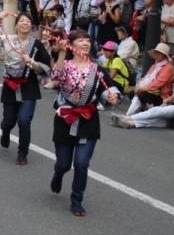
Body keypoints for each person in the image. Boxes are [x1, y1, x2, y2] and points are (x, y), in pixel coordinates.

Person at [48, 29, 121, 216]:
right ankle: (58, 174)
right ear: (72, 45)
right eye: (81, 40)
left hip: (88, 119)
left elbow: (107, 88)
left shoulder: (97, 69)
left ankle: (76, 199)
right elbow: (57, 76)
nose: (86, 43)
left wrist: (112, 96)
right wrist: (62, 52)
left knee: (81, 163)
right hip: (65, 117)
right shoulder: (66, 64)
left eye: (88, 40)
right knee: (64, 164)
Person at [0, 12, 51, 166]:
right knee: (8, 121)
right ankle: (5, 132)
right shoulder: (9, 40)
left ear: (31, 25)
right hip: (10, 86)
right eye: (22, 21)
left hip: (29, 86)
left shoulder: (37, 44)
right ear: (16, 25)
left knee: (24, 120)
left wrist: (33, 63)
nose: (25, 23)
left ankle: (22, 153)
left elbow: (46, 66)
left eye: (28, 21)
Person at [112, 49, 174, 128]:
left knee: (156, 111)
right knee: (159, 121)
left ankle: (127, 118)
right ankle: (131, 123)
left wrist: (166, 100)